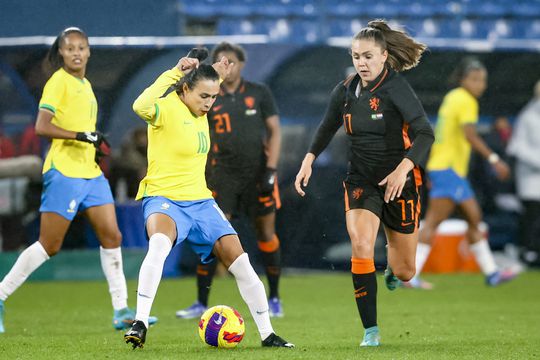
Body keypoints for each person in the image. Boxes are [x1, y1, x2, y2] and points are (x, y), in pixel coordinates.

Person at [123, 48, 293, 349]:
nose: (209, 103)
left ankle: (268, 334)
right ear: (185, 89)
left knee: (241, 263)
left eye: (213, 98)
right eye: (204, 97)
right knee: (159, 245)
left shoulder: (200, 104)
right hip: (164, 197)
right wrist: (177, 71)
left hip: (201, 201)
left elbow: (206, 83)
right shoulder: (166, 108)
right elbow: (140, 104)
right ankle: (140, 321)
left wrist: (214, 75)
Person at [0, 27, 157, 334]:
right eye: (69, 48)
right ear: (61, 53)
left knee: (112, 237)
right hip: (65, 172)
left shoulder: (85, 84)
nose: (75, 52)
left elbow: (83, 128)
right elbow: (43, 126)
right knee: (49, 245)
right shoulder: (58, 82)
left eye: (81, 47)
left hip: (91, 173)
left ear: (88, 52)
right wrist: (80, 135)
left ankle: (121, 311)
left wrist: (94, 142)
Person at [294, 20, 434, 347]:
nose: (362, 62)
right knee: (360, 243)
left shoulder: (396, 88)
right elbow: (327, 126)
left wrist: (404, 168)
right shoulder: (344, 90)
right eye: (357, 56)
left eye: (368, 56)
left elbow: (426, 132)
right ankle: (370, 330)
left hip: (401, 182)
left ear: (384, 56)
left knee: (405, 272)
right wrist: (309, 158)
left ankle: (391, 268)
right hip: (361, 180)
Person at [175, 42, 284, 320]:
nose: (228, 66)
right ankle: (201, 302)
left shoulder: (259, 93)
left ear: (242, 63)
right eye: (222, 61)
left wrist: (271, 168)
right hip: (220, 176)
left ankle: (274, 298)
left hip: (257, 174)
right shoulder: (208, 93)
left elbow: (274, 131)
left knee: (266, 234)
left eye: (232, 61)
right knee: (212, 237)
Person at [406, 58, 517, 289]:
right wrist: (495, 159)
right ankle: (409, 275)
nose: (481, 85)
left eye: (483, 80)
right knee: (436, 222)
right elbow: (470, 135)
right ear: (463, 80)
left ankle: (492, 273)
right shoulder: (466, 101)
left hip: (444, 169)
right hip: (449, 171)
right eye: (475, 79)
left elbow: (441, 135)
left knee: (473, 220)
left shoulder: (452, 97)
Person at [508, 79, 540, 267]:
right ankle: (526, 252)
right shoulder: (528, 116)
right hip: (530, 180)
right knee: (532, 218)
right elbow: (516, 147)